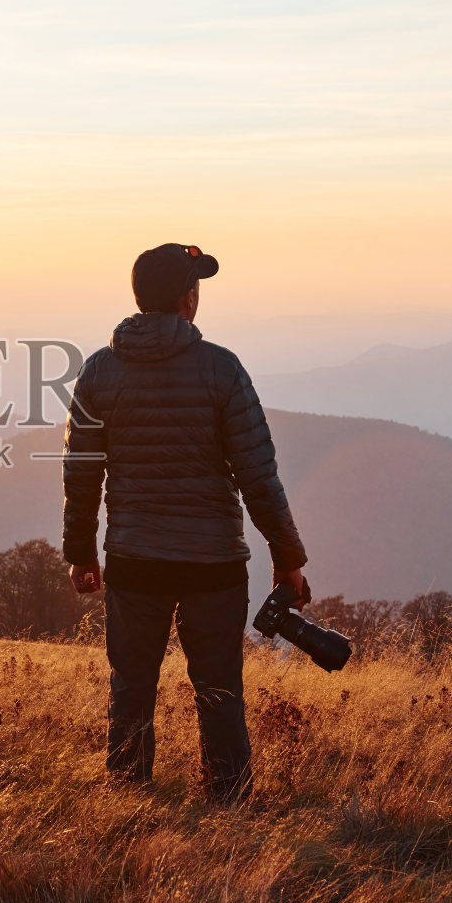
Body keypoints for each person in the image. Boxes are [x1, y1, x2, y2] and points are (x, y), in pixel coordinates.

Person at [61, 243, 311, 801]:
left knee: (132, 687)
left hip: (133, 558)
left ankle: (127, 804)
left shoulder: (100, 371)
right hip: (213, 562)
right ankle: (228, 806)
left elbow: (81, 471)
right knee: (219, 689)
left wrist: (81, 551)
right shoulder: (221, 369)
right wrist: (287, 560)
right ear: (187, 299)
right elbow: (258, 475)